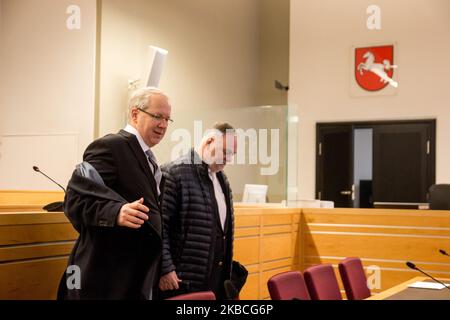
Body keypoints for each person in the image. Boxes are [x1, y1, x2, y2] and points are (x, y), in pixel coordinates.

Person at [57, 87, 172, 300]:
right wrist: (116, 212)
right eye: (158, 117)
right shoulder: (111, 147)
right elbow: (74, 200)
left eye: (167, 119)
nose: (164, 125)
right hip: (105, 279)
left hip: (134, 278)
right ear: (135, 114)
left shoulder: (148, 157)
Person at [159, 123, 238, 299]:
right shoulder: (174, 172)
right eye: (225, 152)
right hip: (183, 279)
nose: (229, 159)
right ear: (209, 141)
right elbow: (159, 226)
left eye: (232, 154)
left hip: (215, 278)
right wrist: (165, 268)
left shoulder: (221, 179)